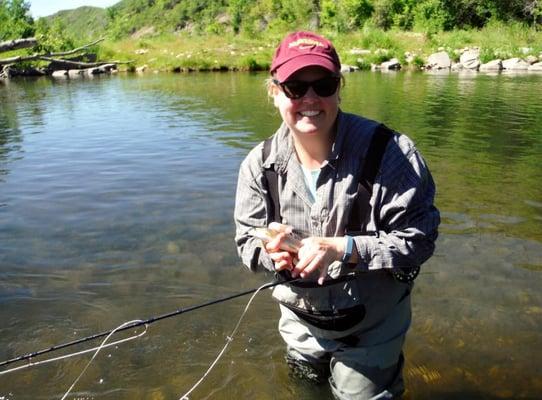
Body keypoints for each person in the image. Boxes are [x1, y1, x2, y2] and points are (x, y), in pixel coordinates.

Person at [234, 31, 440, 400]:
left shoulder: (391, 153)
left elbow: (420, 239)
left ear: (339, 88)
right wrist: (271, 255)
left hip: (373, 326)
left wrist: (344, 248)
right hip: (299, 322)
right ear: (275, 91)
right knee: (304, 390)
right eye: (296, 87)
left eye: (324, 85)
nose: (310, 99)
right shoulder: (257, 166)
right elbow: (247, 241)